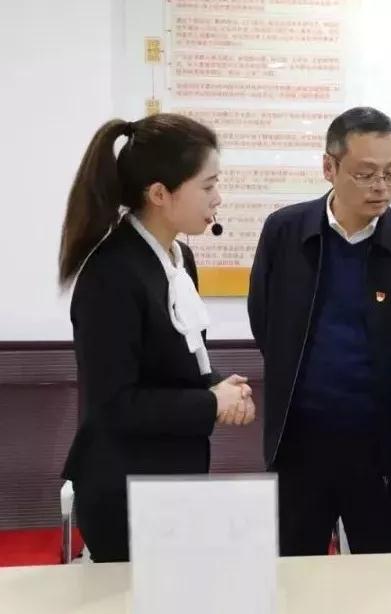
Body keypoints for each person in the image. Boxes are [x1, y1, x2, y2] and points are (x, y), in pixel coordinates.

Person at [247, 107, 391, 556]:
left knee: (386, 578)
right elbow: (265, 322)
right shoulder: (284, 231)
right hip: (300, 442)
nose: (381, 187)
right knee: (294, 574)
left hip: (382, 448)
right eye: (365, 174)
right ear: (329, 167)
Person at [59, 114, 256, 563]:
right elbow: (115, 404)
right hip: (125, 489)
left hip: (172, 478)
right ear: (160, 194)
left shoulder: (179, 257)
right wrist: (211, 403)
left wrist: (220, 385)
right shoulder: (111, 274)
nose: (218, 198)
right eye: (208, 186)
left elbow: (175, 363)